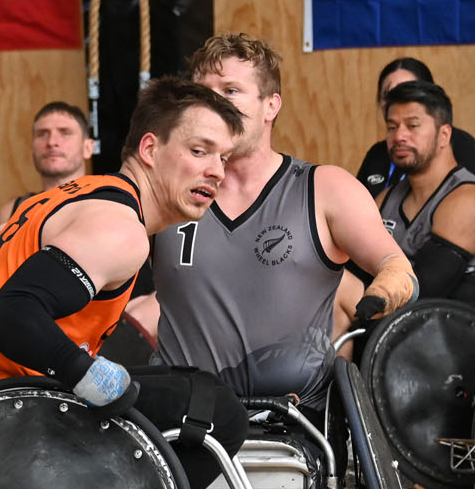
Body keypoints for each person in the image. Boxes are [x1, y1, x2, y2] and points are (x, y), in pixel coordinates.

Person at [0, 77, 249, 489]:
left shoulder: (71, 196)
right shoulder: (120, 229)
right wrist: (81, 373)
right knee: (213, 410)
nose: (217, 172)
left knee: (175, 394)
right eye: (199, 151)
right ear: (150, 150)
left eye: (223, 158)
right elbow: (10, 312)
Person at [151, 33, 417, 410]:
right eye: (202, 92)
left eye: (230, 91)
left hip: (292, 426)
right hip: (182, 425)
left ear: (270, 105)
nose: (212, 104)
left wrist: (385, 288)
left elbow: (398, 268)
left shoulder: (324, 187)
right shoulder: (165, 191)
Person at [377, 80, 475, 307]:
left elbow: (428, 287)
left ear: (444, 135)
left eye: (412, 125)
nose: (399, 136)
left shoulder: (469, 200)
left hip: (453, 329)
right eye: (392, 127)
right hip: (396, 322)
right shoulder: (386, 199)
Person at [356, 57, 475, 195]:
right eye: (388, 95)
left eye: (408, 91)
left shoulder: (466, 148)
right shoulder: (378, 153)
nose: (398, 101)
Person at [0, 101, 95, 226]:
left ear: (88, 148)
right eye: (42, 134)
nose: (51, 142)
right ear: (32, 148)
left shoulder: (107, 204)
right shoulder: (10, 214)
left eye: (65, 133)